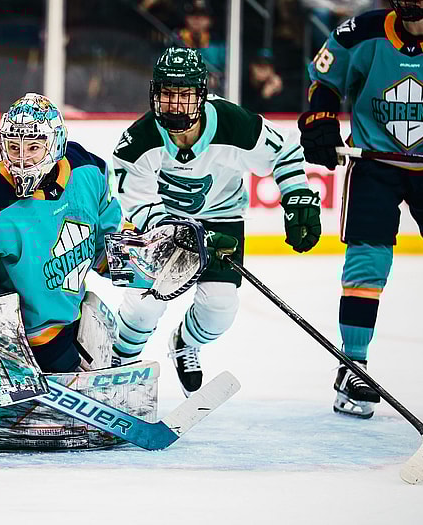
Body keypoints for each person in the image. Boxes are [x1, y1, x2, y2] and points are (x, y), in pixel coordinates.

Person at [112, 47, 321, 396]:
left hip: (221, 220)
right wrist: (179, 235)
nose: (175, 105)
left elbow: (284, 151)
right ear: (154, 95)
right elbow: (136, 202)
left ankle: (184, 343)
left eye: (184, 95)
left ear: (201, 95)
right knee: (143, 304)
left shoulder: (235, 123)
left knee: (219, 309)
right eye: (167, 94)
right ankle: (117, 359)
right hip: (161, 227)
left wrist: (297, 195)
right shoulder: (137, 142)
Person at [298, 1, 423, 418]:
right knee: (367, 263)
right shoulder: (362, 31)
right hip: (374, 164)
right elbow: (325, 80)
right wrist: (319, 119)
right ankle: (354, 366)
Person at [0, 93, 124, 373]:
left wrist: (135, 260)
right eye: (14, 147)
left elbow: (105, 242)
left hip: (75, 314)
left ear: (56, 143)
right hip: (26, 336)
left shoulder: (87, 168)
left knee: (104, 337)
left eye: (34, 147)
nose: (22, 158)